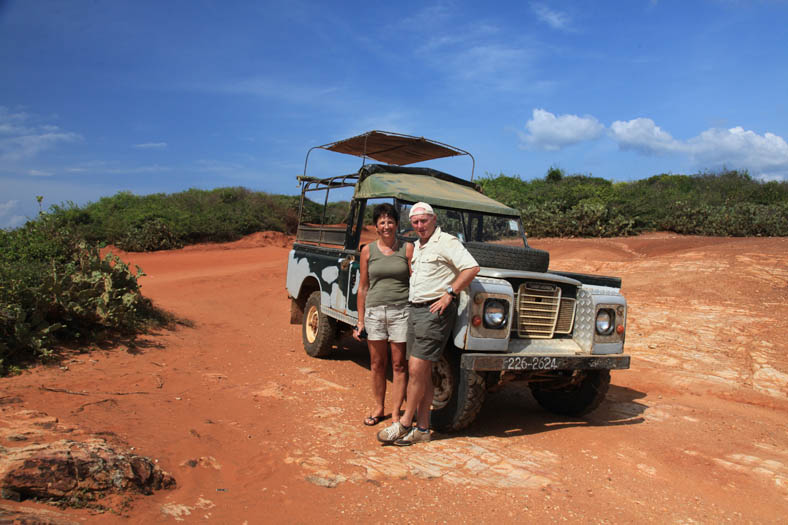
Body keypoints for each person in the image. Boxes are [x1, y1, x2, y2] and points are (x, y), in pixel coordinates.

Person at [377, 202, 479, 446]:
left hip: (434, 312)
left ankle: (403, 423)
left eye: (424, 221)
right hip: (416, 310)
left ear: (434, 220)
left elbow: (472, 267)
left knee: (415, 370)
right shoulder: (420, 246)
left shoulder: (447, 241)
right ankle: (423, 429)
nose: (420, 225)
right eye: (415, 222)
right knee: (423, 374)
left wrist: (450, 294)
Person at [354, 203, 413, 427]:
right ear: (376, 226)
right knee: (377, 363)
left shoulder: (407, 249)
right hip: (375, 312)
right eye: (382, 222)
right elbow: (363, 287)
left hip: (401, 312)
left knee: (399, 365)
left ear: (397, 224)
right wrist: (360, 321)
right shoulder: (368, 251)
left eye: (390, 221)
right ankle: (379, 407)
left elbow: (415, 280)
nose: (386, 226)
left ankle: (396, 413)